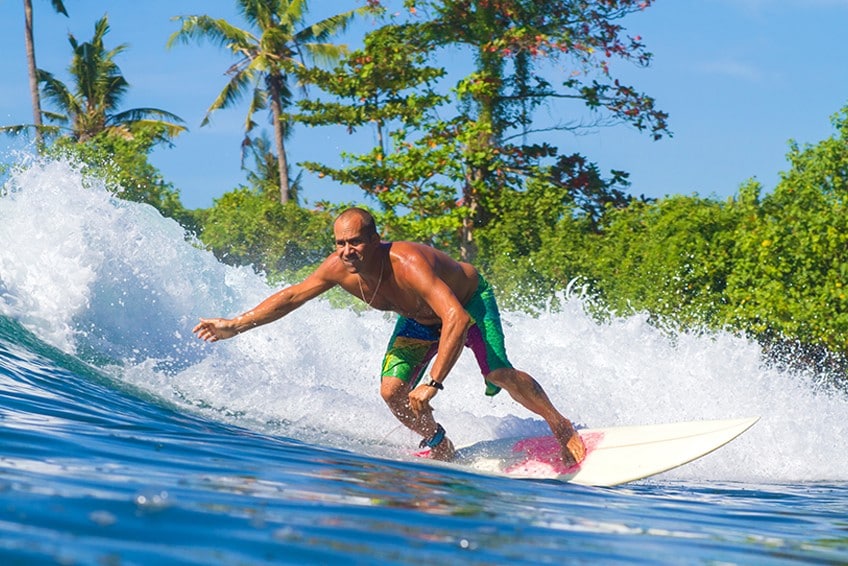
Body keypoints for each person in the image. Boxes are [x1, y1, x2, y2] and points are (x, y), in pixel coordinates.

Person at [193, 207, 586, 465]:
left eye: (356, 242)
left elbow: (456, 318)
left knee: (498, 373)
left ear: (376, 239)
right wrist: (236, 324)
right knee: (391, 391)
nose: (348, 251)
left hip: (468, 305)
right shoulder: (339, 269)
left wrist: (433, 383)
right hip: (419, 321)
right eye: (341, 243)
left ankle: (559, 423)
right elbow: (292, 295)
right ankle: (440, 445)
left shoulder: (409, 265)